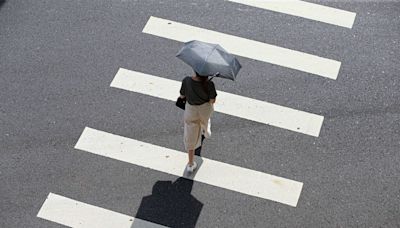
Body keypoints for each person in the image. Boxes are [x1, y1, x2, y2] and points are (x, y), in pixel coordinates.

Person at [179, 71, 217, 172]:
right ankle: (205, 130)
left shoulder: (186, 81)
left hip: (191, 110)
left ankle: (191, 164)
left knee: (190, 134)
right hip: (205, 109)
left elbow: (182, 96)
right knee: (204, 120)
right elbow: (212, 101)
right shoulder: (209, 84)